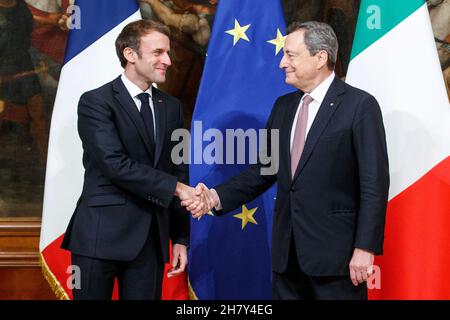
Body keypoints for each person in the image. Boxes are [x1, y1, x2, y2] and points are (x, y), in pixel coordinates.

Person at [185, 21, 389, 300]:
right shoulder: (284, 107)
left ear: (320, 58)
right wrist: (214, 197)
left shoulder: (359, 106)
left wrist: (365, 248)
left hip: (337, 260)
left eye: (290, 55)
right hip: (286, 258)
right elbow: (263, 171)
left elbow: (373, 183)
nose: (282, 63)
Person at [61, 20, 205, 300]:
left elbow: (179, 170)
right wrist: (176, 188)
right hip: (99, 237)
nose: (168, 60)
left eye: (168, 53)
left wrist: (180, 239)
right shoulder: (96, 102)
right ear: (130, 54)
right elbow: (114, 164)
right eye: (158, 52)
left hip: (150, 241)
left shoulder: (171, 107)